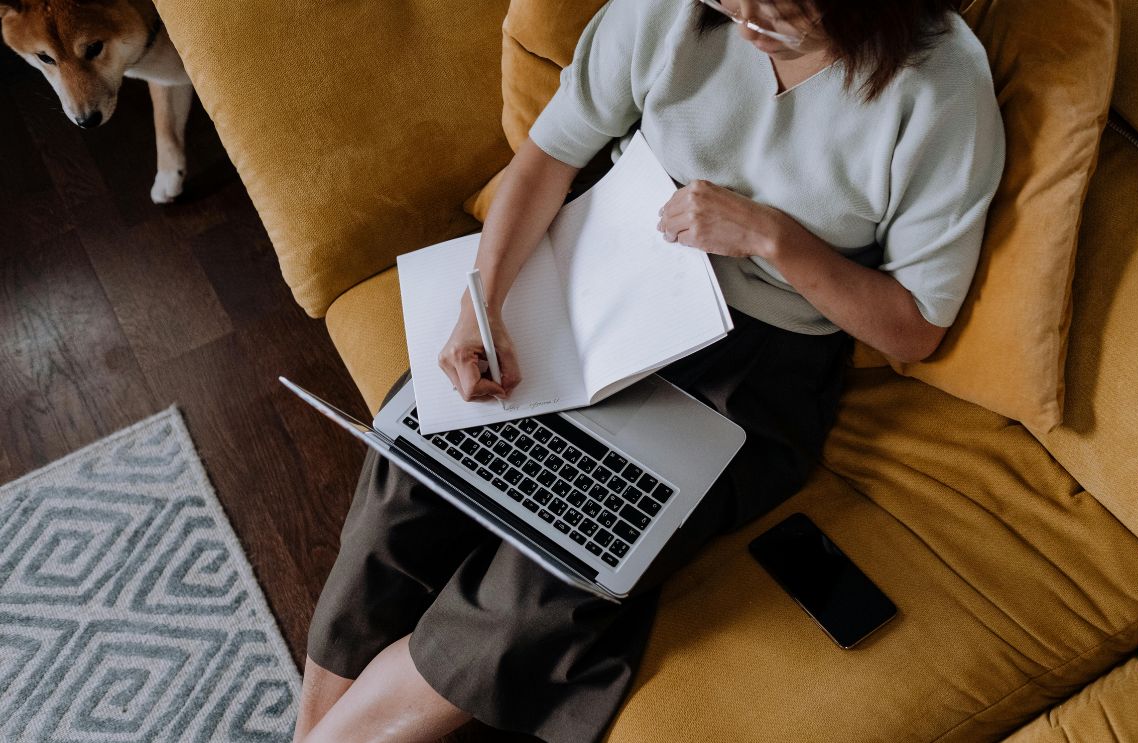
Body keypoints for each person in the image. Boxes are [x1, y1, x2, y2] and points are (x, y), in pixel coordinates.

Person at [294, 0, 1005, 740]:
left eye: (782, 7)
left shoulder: (938, 88)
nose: (749, 24)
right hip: (605, 282)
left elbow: (913, 325)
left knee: (551, 570)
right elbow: (549, 157)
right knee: (413, 467)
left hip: (755, 363)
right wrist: (485, 300)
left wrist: (770, 237)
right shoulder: (670, 11)